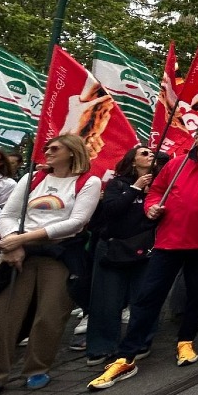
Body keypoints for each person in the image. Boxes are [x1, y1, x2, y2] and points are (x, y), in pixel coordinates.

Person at [88, 121, 198, 390]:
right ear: (197, 137)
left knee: (196, 294)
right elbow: (157, 192)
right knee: (148, 296)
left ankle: (185, 340)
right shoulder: (176, 164)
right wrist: (151, 208)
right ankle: (128, 354)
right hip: (168, 242)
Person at [0, 134, 101, 391]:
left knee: (49, 315)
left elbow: (76, 222)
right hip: (19, 253)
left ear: (72, 152)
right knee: (4, 314)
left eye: (55, 148)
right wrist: (13, 241)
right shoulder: (32, 178)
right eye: (47, 148)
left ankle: (37, 368)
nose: (48, 151)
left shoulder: (88, 182)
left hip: (60, 254)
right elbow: (8, 214)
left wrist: (24, 238)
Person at [84, 146, 159, 367]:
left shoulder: (159, 186)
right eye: (144, 153)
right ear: (133, 162)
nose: (150, 155)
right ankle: (102, 346)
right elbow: (113, 210)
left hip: (145, 249)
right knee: (106, 300)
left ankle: (140, 341)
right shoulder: (117, 184)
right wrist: (136, 188)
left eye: (151, 153)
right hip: (113, 248)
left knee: (143, 297)